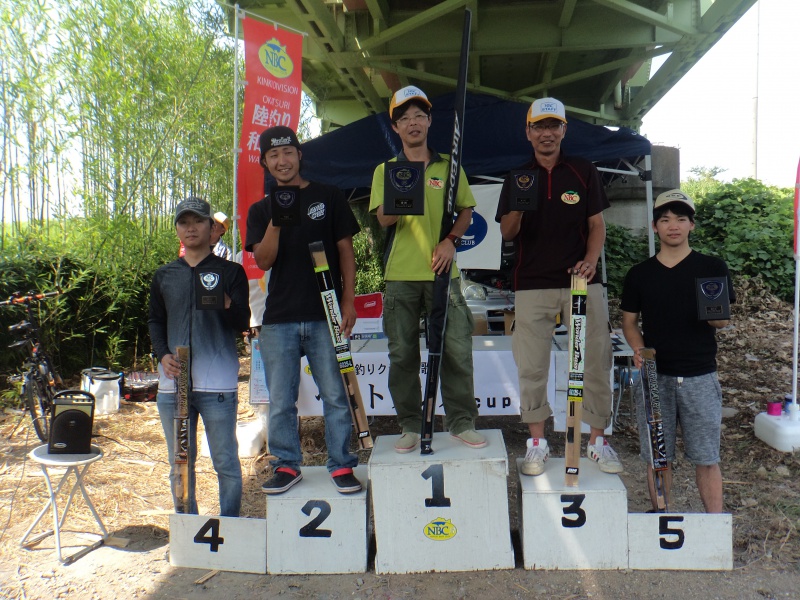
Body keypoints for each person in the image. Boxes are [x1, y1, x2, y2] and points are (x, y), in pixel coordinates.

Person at [496, 97, 621, 476]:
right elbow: (507, 232)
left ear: (564, 130)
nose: (546, 133)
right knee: (531, 364)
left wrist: (592, 260)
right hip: (532, 282)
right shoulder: (518, 175)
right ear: (528, 132)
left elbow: (597, 224)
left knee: (595, 360)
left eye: (554, 126)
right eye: (539, 126)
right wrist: (519, 203)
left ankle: (598, 441)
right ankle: (537, 443)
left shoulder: (583, 170)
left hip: (582, 281)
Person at [245, 125, 362, 495]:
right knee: (281, 400)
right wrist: (279, 220)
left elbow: (345, 250)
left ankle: (342, 464)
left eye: (288, 153)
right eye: (274, 156)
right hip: (278, 318)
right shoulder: (261, 209)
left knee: (335, 394)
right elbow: (263, 261)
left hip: (325, 311)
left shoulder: (329, 196)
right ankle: (286, 465)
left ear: (299, 156)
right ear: (265, 163)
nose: (282, 161)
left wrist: (348, 301)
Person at [368, 86, 486, 453]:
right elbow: (383, 220)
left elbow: (467, 210)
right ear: (396, 127)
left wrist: (451, 239)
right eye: (404, 118)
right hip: (400, 275)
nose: (413, 123)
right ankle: (409, 424)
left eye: (419, 116)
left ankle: (461, 421)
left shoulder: (449, 166)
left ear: (430, 121)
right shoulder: (385, 170)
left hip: (442, 274)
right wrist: (402, 194)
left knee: (455, 350)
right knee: (402, 353)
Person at [621, 189, 733, 513]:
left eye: (681, 219)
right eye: (665, 219)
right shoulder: (640, 274)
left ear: (691, 225)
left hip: (700, 375)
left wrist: (718, 317)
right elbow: (629, 322)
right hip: (656, 377)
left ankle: (715, 523)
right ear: (654, 226)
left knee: (707, 457)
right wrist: (640, 349)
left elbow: (722, 321)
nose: (673, 225)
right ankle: (661, 517)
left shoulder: (711, 267)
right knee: (659, 457)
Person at [149, 196, 250, 516]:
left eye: (198, 221)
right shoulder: (164, 275)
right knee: (180, 461)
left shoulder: (231, 272)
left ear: (212, 228)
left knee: (225, 461)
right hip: (173, 387)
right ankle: (188, 529)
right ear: (177, 229)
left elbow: (242, 323)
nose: (190, 228)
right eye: (184, 222)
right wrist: (162, 353)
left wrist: (225, 303)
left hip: (217, 385)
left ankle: (230, 528)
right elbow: (155, 320)